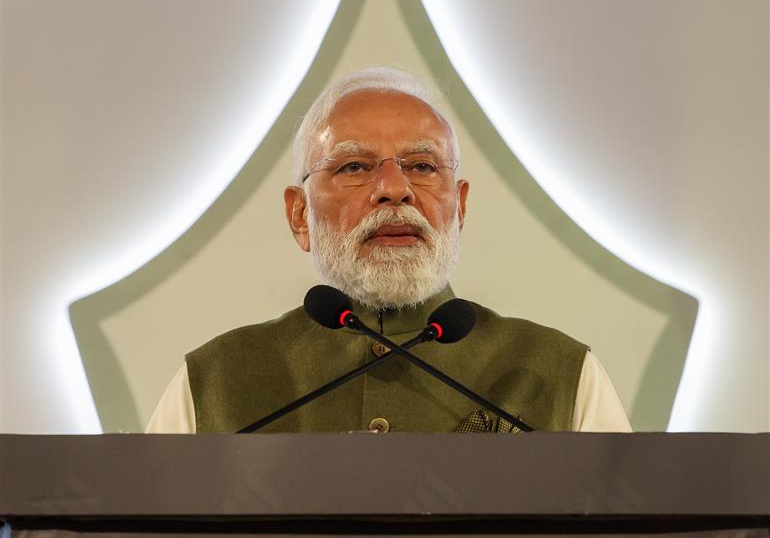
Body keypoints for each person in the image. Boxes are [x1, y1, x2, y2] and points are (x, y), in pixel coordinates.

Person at [147, 68, 631, 434]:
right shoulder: (211, 385)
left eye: (422, 166)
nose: (394, 189)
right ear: (299, 216)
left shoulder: (563, 375)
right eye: (355, 166)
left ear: (459, 207)